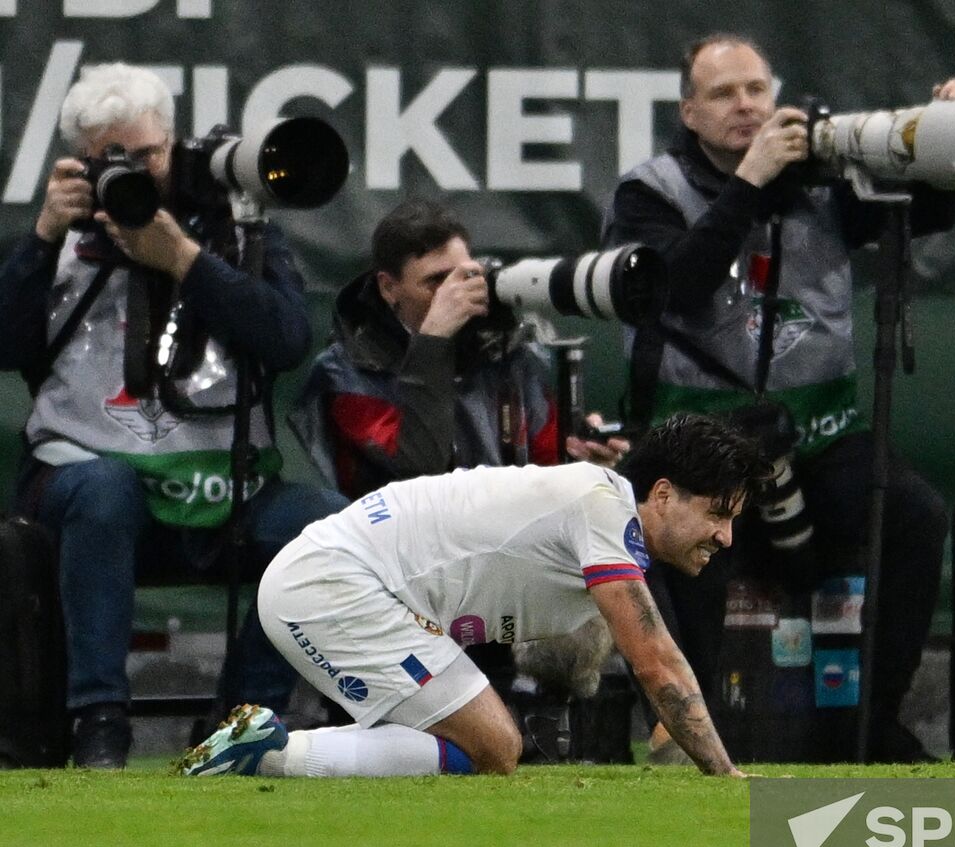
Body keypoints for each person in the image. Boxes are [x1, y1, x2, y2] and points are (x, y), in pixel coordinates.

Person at [601, 33, 955, 761]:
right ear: (689, 112)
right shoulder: (649, 192)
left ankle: (869, 728)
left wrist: (944, 137)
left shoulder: (824, 174)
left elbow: (922, 213)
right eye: (723, 94)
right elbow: (674, 288)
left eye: (756, 90)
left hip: (820, 436)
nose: (745, 105)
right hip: (697, 443)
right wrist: (749, 184)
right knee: (679, 546)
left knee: (914, 514)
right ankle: (684, 735)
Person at [0, 63, 346, 768]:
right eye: (113, 160)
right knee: (104, 493)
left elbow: (285, 338)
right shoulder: (63, 234)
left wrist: (186, 259)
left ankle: (240, 719)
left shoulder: (234, 226)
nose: (138, 172)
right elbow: (7, 343)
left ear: (175, 143)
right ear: (81, 160)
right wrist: (39, 238)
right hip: (86, 479)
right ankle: (99, 721)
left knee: (325, 530)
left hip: (226, 488)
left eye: (150, 155)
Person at [177, 413, 770, 778]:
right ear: (662, 495)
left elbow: (596, 656)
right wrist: (724, 772)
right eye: (717, 513)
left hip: (334, 581)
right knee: (494, 745)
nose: (726, 536)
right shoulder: (602, 508)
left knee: (473, 746)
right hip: (336, 584)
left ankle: (266, 748)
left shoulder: (604, 523)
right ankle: (271, 753)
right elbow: (655, 660)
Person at [289, 198, 629, 499]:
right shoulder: (347, 372)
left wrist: (578, 455)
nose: (455, 292)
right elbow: (420, 468)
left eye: (462, 275)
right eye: (435, 281)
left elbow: (544, 462)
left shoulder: (503, 349)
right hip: (397, 545)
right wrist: (434, 339)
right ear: (389, 288)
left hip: (502, 529)